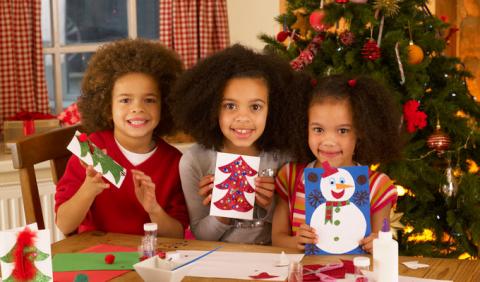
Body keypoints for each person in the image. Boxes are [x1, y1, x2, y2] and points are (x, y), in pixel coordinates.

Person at [170, 44, 310, 244]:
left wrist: (271, 204)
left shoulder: (285, 159)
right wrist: (222, 211)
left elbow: (290, 232)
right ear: (211, 107)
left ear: (273, 109)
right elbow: (200, 235)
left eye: (255, 106)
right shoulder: (194, 161)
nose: (243, 118)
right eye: (230, 106)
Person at [55, 39, 188, 238]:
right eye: (125, 100)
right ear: (108, 107)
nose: (138, 108)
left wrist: (154, 209)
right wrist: (88, 190)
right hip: (98, 258)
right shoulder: (92, 151)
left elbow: (176, 234)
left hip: (150, 260)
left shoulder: (174, 162)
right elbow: (64, 226)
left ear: (165, 106)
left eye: (149, 100)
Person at [272, 74, 402, 253]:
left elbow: (382, 244)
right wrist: (298, 242)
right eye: (318, 129)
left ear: (361, 131)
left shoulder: (377, 186)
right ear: (304, 127)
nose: (329, 141)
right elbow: (277, 238)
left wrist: (377, 244)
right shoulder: (291, 177)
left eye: (342, 130)